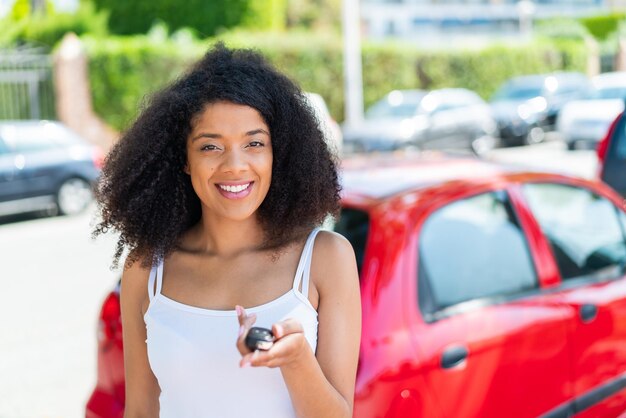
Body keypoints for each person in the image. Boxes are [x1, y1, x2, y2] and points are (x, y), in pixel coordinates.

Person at [94, 43, 361, 418]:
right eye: (210, 147)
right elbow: (139, 411)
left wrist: (296, 359)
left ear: (277, 153)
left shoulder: (325, 259)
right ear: (183, 160)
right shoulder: (146, 267)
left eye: (254, 143)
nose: (235, 165)